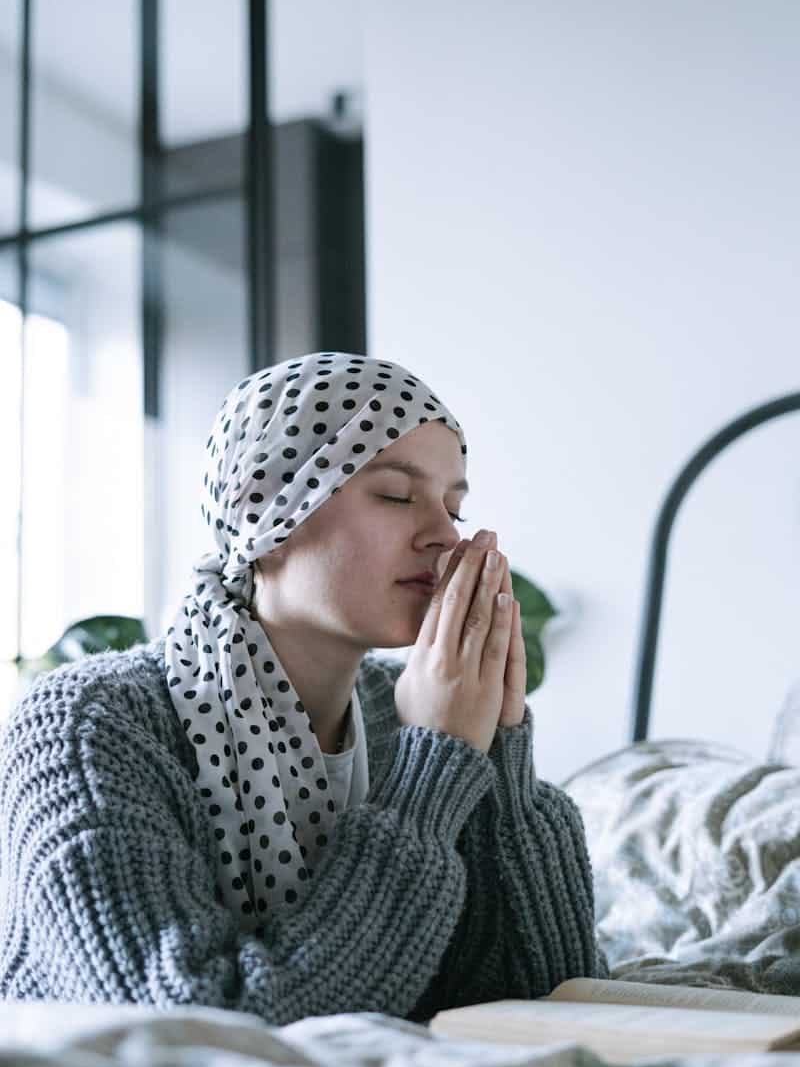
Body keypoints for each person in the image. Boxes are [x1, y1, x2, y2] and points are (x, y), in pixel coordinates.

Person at [0, 352, 604, 1021]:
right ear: (262, 511)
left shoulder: (410, 710)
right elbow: (198, 1024)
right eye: (397, 495)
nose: (442, 535)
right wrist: (431, 773)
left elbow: (546, 995)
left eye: (455, 508)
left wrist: (499, 755)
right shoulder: (92, 724)